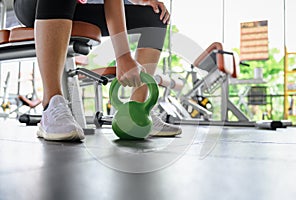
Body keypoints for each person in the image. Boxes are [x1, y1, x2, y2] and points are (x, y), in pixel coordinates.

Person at [13, 0, 182, 141]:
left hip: (75, 5)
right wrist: (123, 56)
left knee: (154, 16)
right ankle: (51, 105)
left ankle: (137, 113)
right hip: (32, 5)